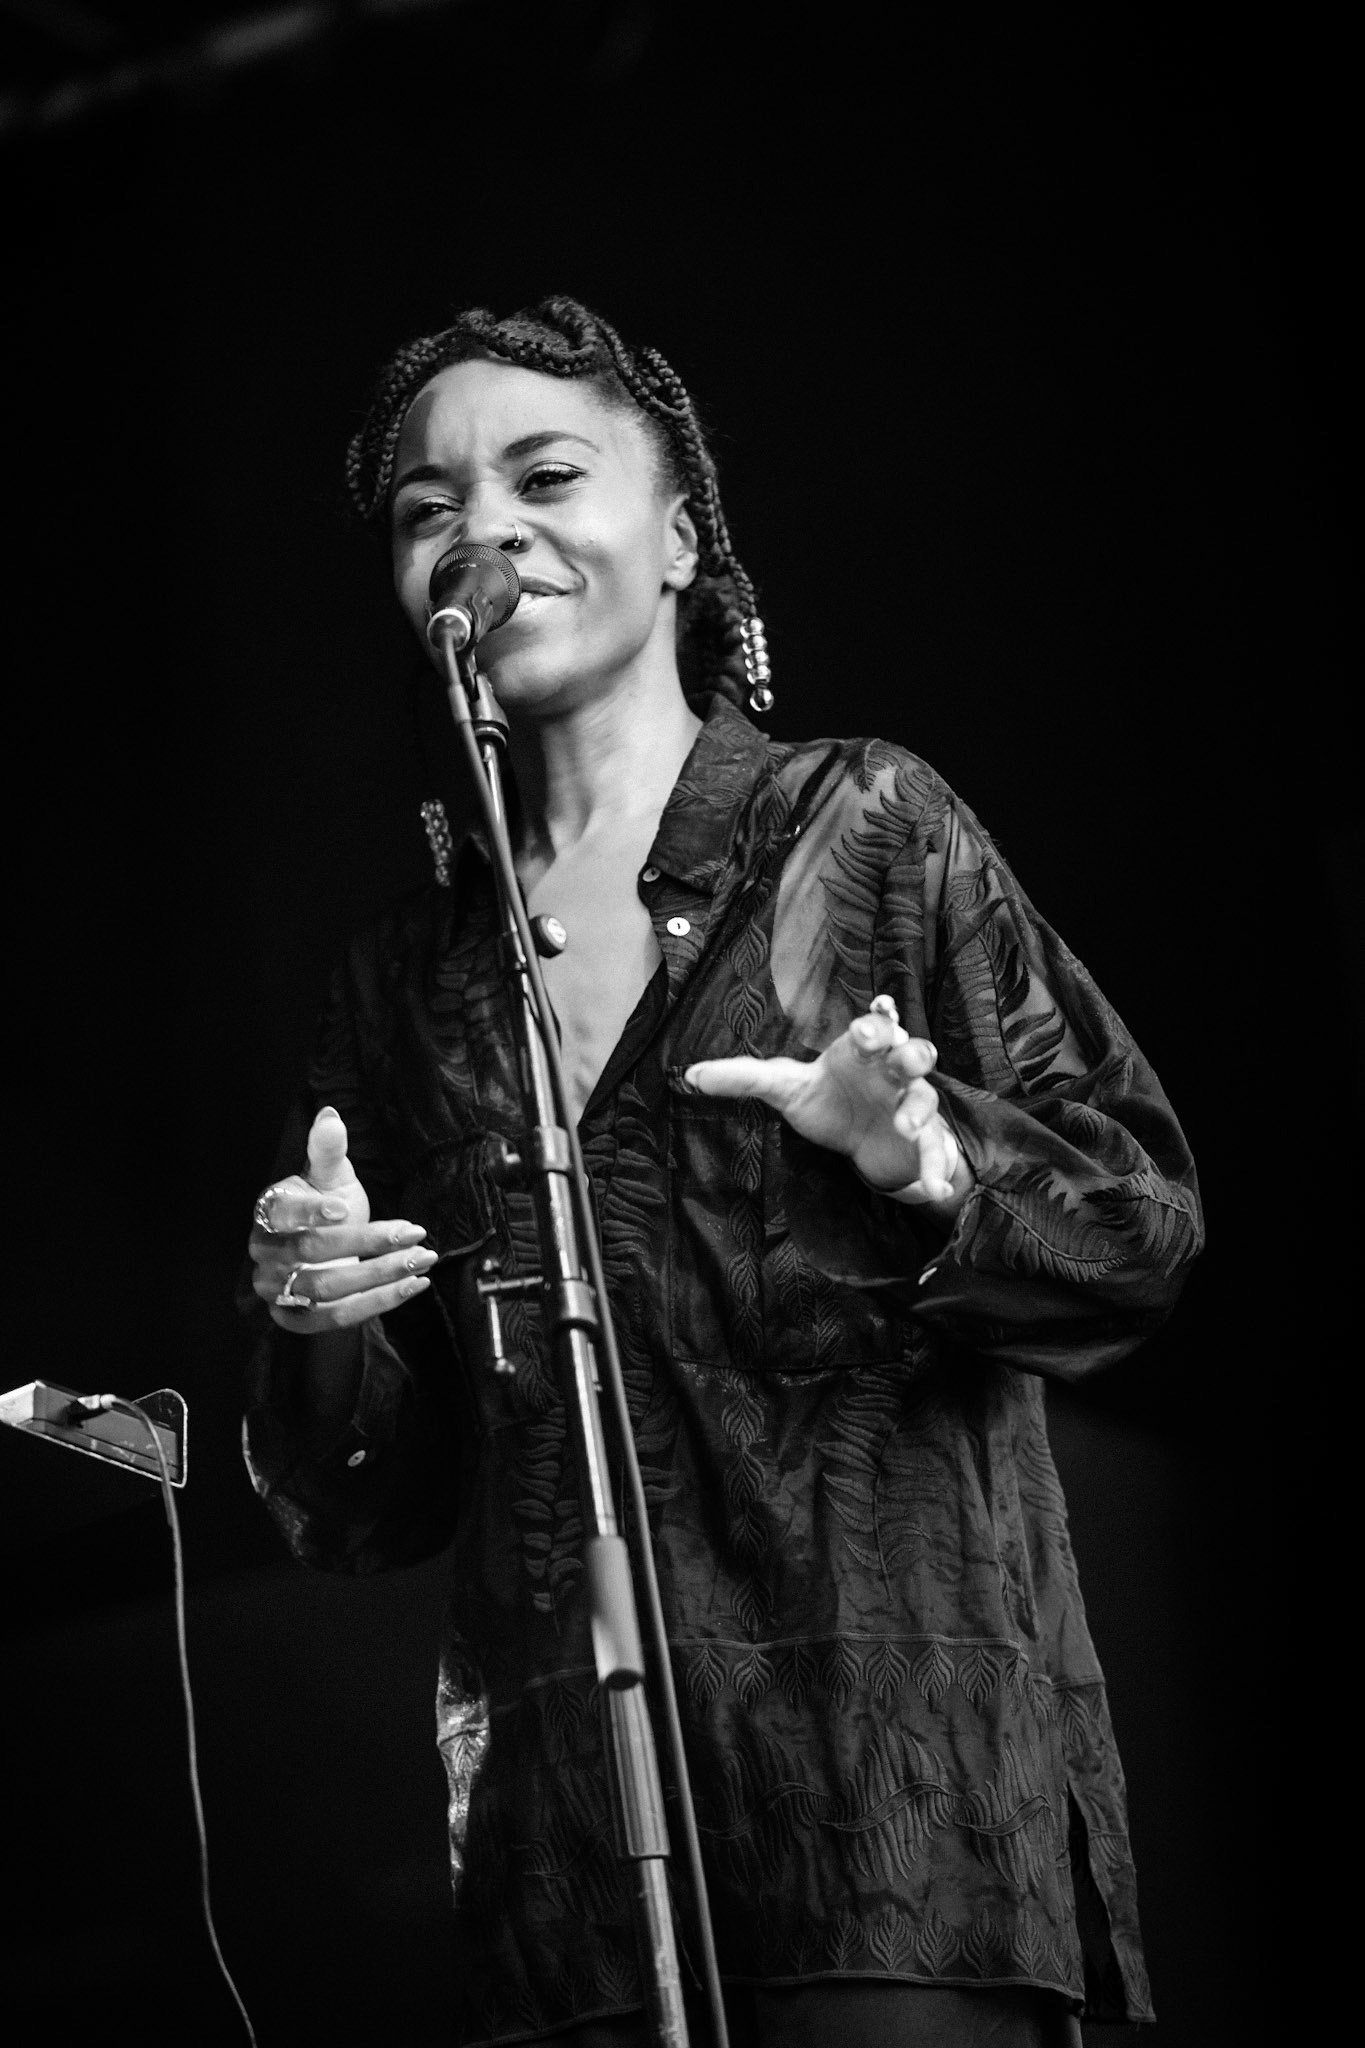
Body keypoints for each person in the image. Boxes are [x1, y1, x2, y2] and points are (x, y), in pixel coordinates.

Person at [244, 297, 1203, 2048]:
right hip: (567, 1868)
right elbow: (366, 1504)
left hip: (900, 1835)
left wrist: (931, 1162)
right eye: (426, 507)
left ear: (681, 536)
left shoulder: (864, 825)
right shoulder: (400, 983)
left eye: (545, 474)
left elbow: (1139, 1230)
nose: (483, 531)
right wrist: (323, 1326)